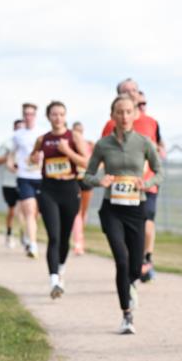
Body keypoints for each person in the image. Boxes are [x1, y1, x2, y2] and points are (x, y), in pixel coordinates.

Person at [85, 94, 163, 334]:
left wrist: (146, 183)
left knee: (135, 264)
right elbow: (86, 176)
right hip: (112, 210)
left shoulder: (144, 142)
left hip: (136, 209)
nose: (124, 116)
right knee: (121, 259)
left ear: (134, 114)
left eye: (129, 111)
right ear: (113, 116)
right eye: (120, 112)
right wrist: (100, 180)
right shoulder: (103, 145)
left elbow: (160, 172)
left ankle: (131, 284)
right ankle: (127, 315)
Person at [102, 79, 165, 281]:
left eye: (134, 90)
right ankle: (130, 262)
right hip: (120, 188)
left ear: (139, 95)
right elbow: (104, 150)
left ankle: (146, 258)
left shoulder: (151, 122)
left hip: (145, 184)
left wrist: (158, 152)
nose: (131, 93)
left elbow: (159, 146)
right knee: (126, 230)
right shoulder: (111, 124)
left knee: (147, 221)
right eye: (125, 91)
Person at [30, 102, 89, 299]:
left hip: (70, 189)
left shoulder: (74, 137)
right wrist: (35, 159)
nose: (58, 118)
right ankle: (54, 280)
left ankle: (61, 269)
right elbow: (32, 158)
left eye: (61, 114)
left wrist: (68, 152)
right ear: (48, 117)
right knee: (53, 236)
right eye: (54, 114)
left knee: (64, 237)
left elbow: (87, 163)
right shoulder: (43, 139)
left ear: (65, 116)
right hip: (49, 189)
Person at [13, 103, 43, 258]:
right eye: (26, 114)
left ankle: (27, 235)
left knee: (36, 213)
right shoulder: (18, 135)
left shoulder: (42, 133)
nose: (28, 116)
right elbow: (12, 154)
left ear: (35, 115)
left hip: (41, 176)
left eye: (31, 114)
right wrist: (12, 165)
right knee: (29, 211)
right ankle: (33, 245)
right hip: (24, 177)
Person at [0, 119, 24, 248]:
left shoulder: (29, 143)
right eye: (18, 128)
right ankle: (9, 233)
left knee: (25, 210)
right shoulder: (7, 144)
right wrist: (9, 156)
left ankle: (25, 235)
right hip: (9, 183)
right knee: (12, 211)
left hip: (24, 181)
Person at [69, 121, 95, 256]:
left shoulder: (89, 145)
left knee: (83, 212)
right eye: (76, 130)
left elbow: (97, 161)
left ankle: (80, 237)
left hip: (86, 179)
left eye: (80, 130)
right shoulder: (69, 145)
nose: (78, 133)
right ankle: (78, 242)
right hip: (74, 180)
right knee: (77, 213)